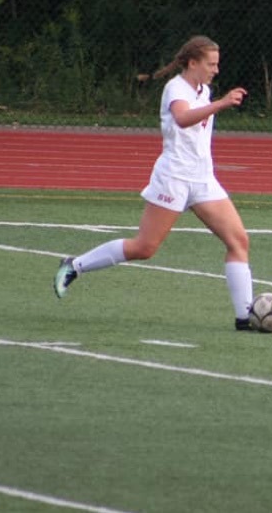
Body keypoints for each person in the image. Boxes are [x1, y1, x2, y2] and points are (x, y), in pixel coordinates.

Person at [54, 35, 253, 330]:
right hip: (173, 178)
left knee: (238, 241)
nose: (216, 70)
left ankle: (245, 317)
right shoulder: (176, 88)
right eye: (211, 64)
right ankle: (74, 266)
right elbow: (182, 118)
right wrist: (221, 104)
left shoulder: (204, 90)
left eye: (217, 64)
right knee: (145, 248)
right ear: (192, 63)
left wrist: (215, 102)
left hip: (203, 179)